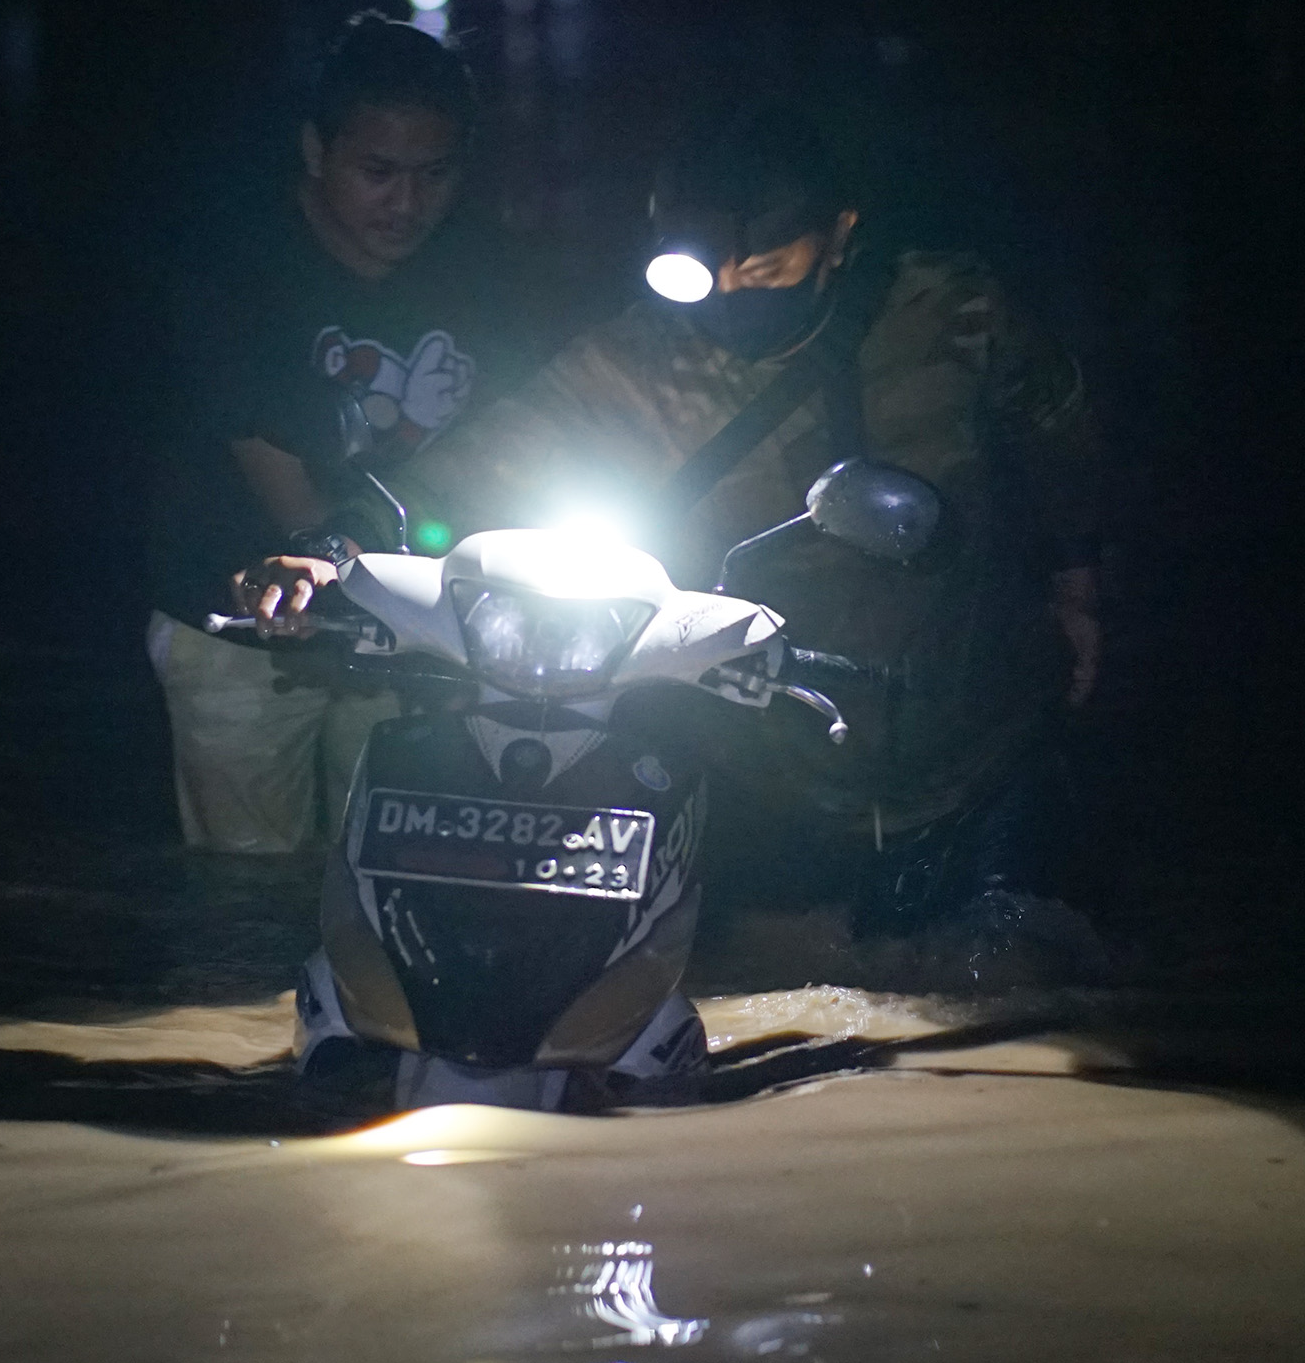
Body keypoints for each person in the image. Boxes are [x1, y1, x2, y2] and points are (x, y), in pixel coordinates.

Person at [237, 101, 1102, 926]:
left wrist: (1079, 584)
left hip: (976, 759)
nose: (731, 294)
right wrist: (331, 552)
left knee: (1009, 987)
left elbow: (1061, 434)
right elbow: (455, 478)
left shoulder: (951, 313)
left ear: (839, 237)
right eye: (699, 272)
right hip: (766, 780)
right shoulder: (634, 362)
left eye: (764, 268)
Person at [145, 14, 537, 853]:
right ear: (317, 152)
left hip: (421, 634)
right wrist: (324, 552)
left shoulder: (489, 269)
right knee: (245, 899)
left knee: (402, 874)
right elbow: (283, 482)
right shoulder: (238, 269)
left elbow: (534, 427)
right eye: (378, 172)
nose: (407, 204)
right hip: (241, 637)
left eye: (434, 174)